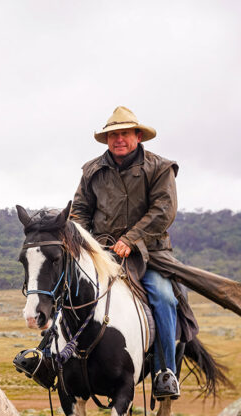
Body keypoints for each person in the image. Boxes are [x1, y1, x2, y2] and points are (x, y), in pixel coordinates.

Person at [70, 106, 181, 399]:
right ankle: (50, 358)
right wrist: (83, 241)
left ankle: (164, 372)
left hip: (150, 253)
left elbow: (163, 210)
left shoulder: (159, 167)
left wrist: (131, 239)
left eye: (124, 134)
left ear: (137, 135)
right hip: (102, 252)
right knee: (66, 288)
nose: (119, 139)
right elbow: (79, 210)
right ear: (107, 139)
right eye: (113, 135)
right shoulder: (92, 170)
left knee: (165, 297)